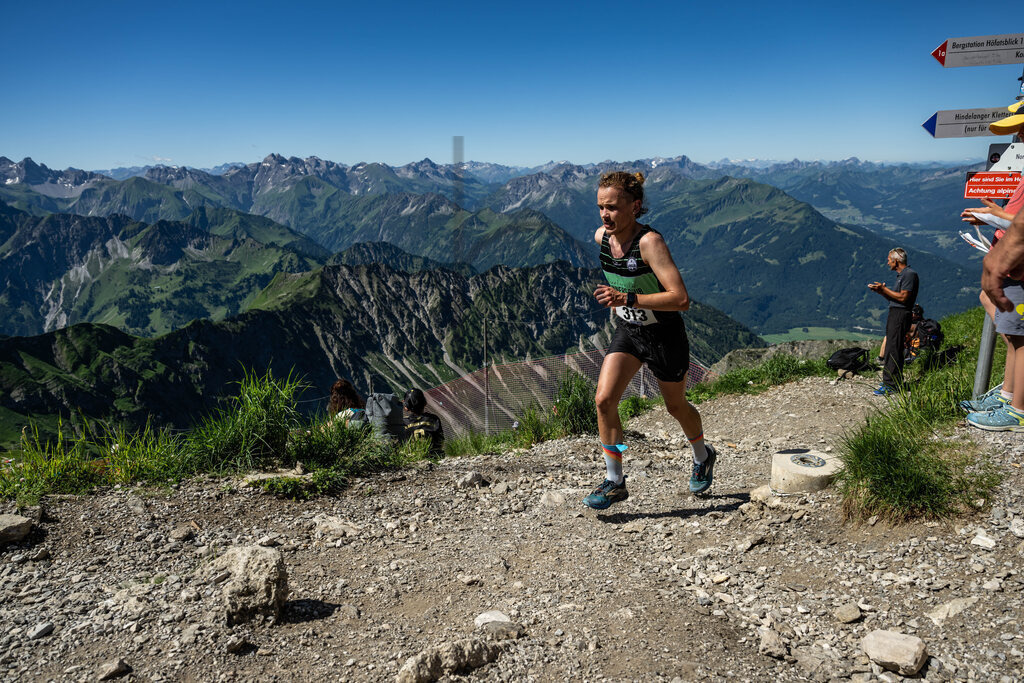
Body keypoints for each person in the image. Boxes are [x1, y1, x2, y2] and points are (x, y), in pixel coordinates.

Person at [583, 171, 715, 510]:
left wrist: (627, 299)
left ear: (635, 205)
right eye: (600, 207)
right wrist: (624, 303)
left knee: (675, 406)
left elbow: (680, 298)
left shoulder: (649, 243)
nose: (604, 215)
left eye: (612, 207)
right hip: (630, 331)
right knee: (604, 400)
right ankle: (615, 481)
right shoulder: (601, 237)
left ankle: (702, 454)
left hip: (664, 334)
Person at [868, 248, 919, 396]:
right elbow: (896, 298)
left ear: (896, 261)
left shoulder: (909, 275)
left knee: (894, 347)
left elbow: (903, 298)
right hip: (896, 313)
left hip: (901, 315)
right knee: (891, 345)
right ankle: (890, 380)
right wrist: (882, 292)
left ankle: (891, 384)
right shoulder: (901, 275)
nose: (887, 262)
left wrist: (884, 289)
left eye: (889, 260)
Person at [403, 388, 444, 453]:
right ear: (424, 402)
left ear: (406, 407)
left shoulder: (404, 422)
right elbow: (440, 440)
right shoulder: (433, 419)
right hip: (434, 455)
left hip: (413, 457)